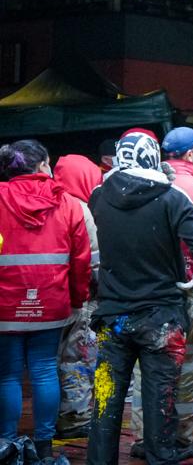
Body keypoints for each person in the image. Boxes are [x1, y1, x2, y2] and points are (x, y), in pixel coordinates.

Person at [87, 132, 193, 465]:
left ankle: (100, 460)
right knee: (161, 396)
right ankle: (161, 454)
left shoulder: (99, 196)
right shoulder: (171, 197)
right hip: (161, 317)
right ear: (152, 158)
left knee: (106, 398)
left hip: (112, 318)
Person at [125, 127, 193, 459]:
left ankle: (143, 435)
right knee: (191, 365)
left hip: (149, 292)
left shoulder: (140, 187)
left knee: (146, 367)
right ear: (190, 154)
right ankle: (181, 437)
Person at [0, 141, 92, 462]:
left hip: (5, 304)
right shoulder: (67, 204)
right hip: (51, 302)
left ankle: (7, 443)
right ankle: (43, 446)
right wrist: (78, 299)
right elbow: (80, 260)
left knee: (8, 375)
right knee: (43, 371)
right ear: (42, 166)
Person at [50, 154, 102, 440]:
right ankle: (74, 416)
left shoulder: (45, 201)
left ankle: (48, 416)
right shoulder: (79, 208)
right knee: (75, 358)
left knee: (46, 361)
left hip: (43, 296)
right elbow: (92, 259)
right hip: (76, 297)